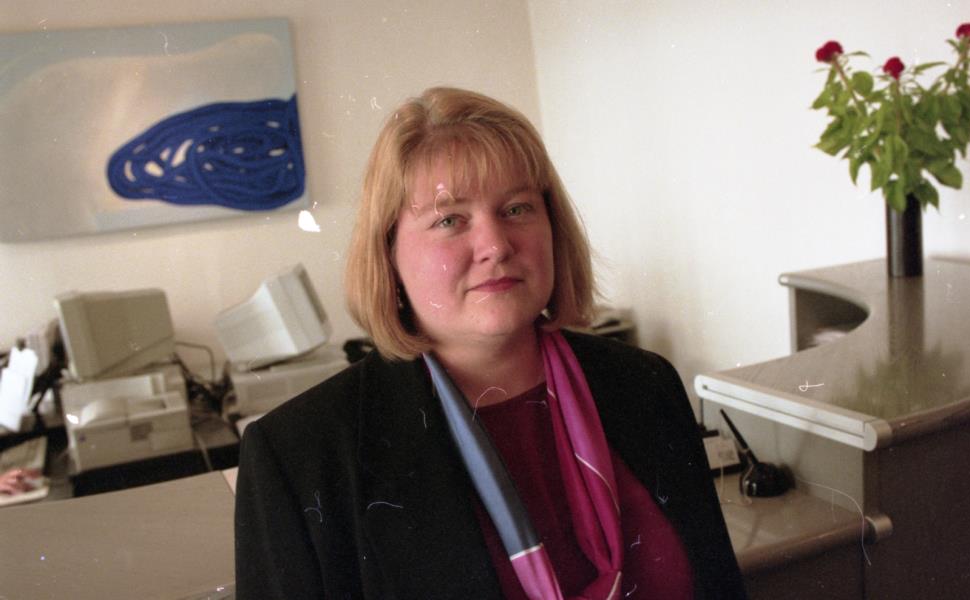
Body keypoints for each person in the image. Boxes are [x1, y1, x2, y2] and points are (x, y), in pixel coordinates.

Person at [235, 87, 746, 599]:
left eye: (517, 208)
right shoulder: (300, 455)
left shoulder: (646, 383)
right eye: (449, 219)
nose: (497, 245)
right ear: (388, 254)